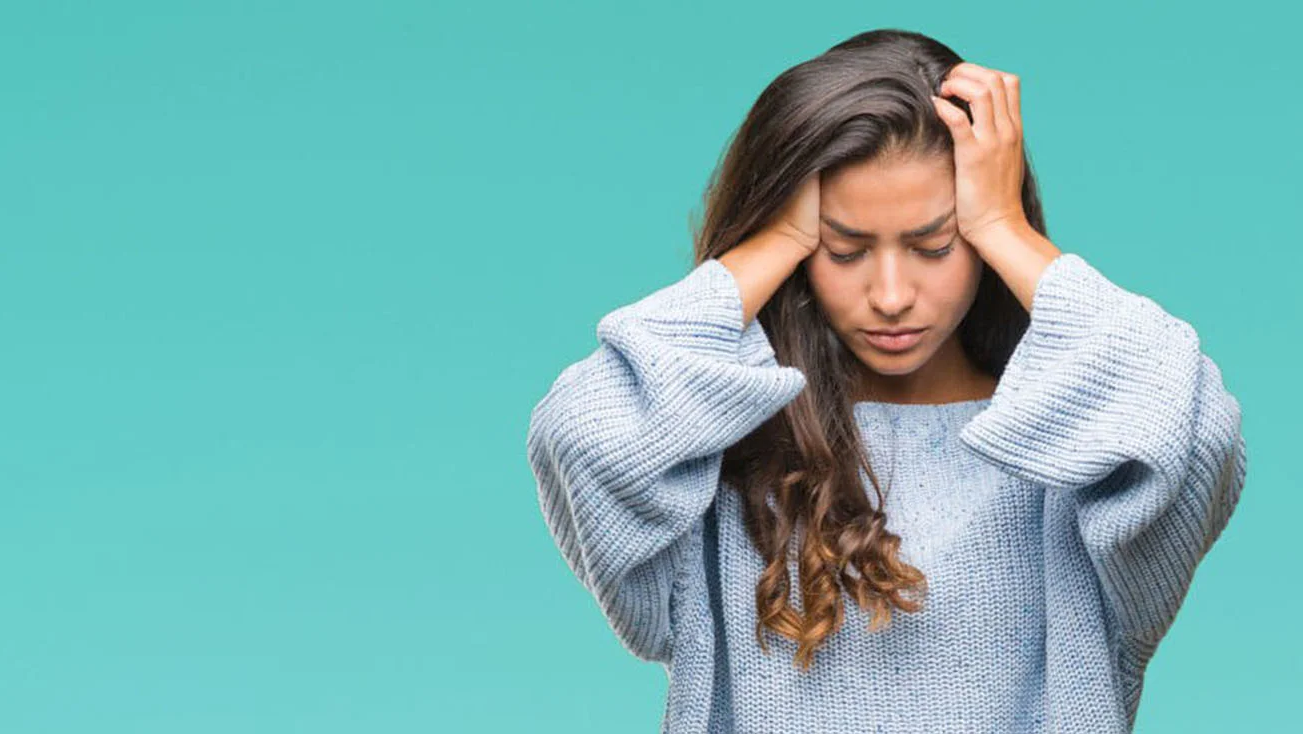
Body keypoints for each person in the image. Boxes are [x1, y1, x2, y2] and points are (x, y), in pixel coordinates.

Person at [524, 28, 1246, 734]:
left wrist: (1004, 225)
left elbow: (1194, 424)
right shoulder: (720, 447)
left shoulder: (1072, 450)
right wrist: (773, 239)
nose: (892, 294)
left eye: (935, 245)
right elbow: (579, 436)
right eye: (844, 250)